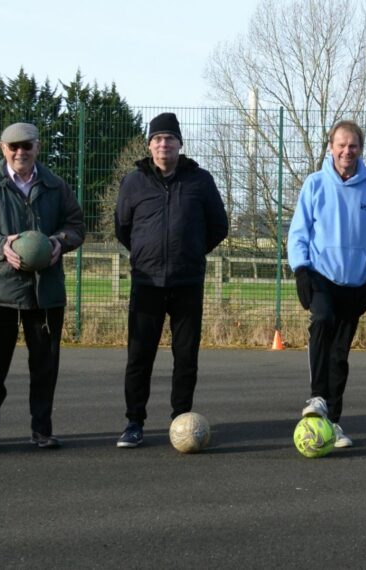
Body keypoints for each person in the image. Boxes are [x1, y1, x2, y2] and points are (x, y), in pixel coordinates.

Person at [0, 122, 85, 451]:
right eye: (14, 146)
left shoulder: (54, 185)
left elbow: (75, 225)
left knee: (45, 366)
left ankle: (42, 431)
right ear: (2, 148)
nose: (21, 152)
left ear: (38, 146)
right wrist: (0, 244)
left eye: (27, 146)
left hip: (45, 291)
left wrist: (59, 243)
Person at [114, 112, 228, 448]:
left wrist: (191, 251)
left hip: (187, 281)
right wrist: (145, 253)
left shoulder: (200, 181)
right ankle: (134, 422)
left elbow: (218, 226)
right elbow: (123, 227)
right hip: (147, 282)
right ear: (149, 145)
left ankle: (182, 420)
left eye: (170, 138)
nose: (164, 144)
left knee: (186, 356)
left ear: (180, 144)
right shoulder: (133, 182)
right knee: (139, 355)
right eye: (158, 139)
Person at [288, 120, 366, 448]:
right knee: (322, 320)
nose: (347, 151)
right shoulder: (315, 184)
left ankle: (333, 422)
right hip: (321, 274)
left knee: (341, 354)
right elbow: (299, 232)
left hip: (356, 280)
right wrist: (301, 269)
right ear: (330, 146)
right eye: (341, 145)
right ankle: (317, 398)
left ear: (360, 148)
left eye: (353, 145)